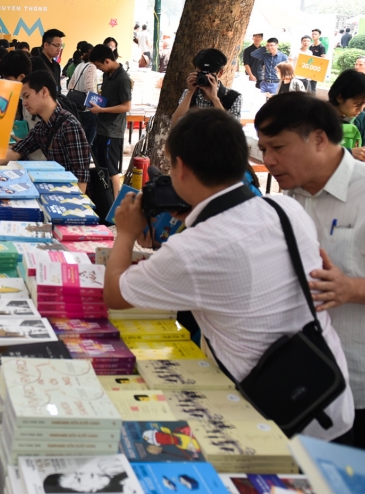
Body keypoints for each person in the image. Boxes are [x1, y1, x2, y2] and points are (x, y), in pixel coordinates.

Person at [103, 107, 355, 442]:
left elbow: (116, 294)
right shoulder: (285, 208)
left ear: (181, 167)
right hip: (328, 394)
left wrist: (125, 233)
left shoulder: (192, 250)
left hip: (275, 418)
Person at [255, 92, 365, 447]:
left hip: (357, 385)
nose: (268, 160)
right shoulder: (288, 200)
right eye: (263, 149)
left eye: (278, 147)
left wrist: (352, 289)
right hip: (300, 380)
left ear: (319, 138)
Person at [0, 70, 91, 192]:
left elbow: (81, 177)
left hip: (69, 196)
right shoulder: (41, 127)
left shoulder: (69, 125)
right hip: (55, 191)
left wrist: (74, 201)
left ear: (44, 92)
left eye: (27, 96)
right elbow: (16, 151)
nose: (24, 103)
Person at [89, 44, 132, 197]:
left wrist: (101, 110)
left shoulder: (123, 79)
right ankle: (104, 198)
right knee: (101, 166)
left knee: (111, 169)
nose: (98, 69)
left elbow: (126, 106)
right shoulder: (107, 75)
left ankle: (114, 203)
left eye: (99, 65)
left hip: (113, 131)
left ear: (107, 61)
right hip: (101, 127)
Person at [172, 48, 243, 123]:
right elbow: (175, 123)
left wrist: (215, 99)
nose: (204, 77)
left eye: (208, 74)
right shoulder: (189, 93)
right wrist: (190, 92)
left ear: (220, 73)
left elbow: (231, 128)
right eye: (200, 73)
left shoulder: (233, 98)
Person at [327, 70, 365, 155]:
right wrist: (349, 153)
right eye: (358, 104)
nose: (361, 109)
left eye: (364, 105)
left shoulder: (361, 120)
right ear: (340, 98)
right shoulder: (316, 117)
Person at [68, 43, 99, 144]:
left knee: (79, 141)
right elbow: (89, 88)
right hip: (87, 109)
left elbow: (70, 85)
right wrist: (97, 103)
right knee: (88, 142)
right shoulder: (91, 66)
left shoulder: (79, 65)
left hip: (77, 107)